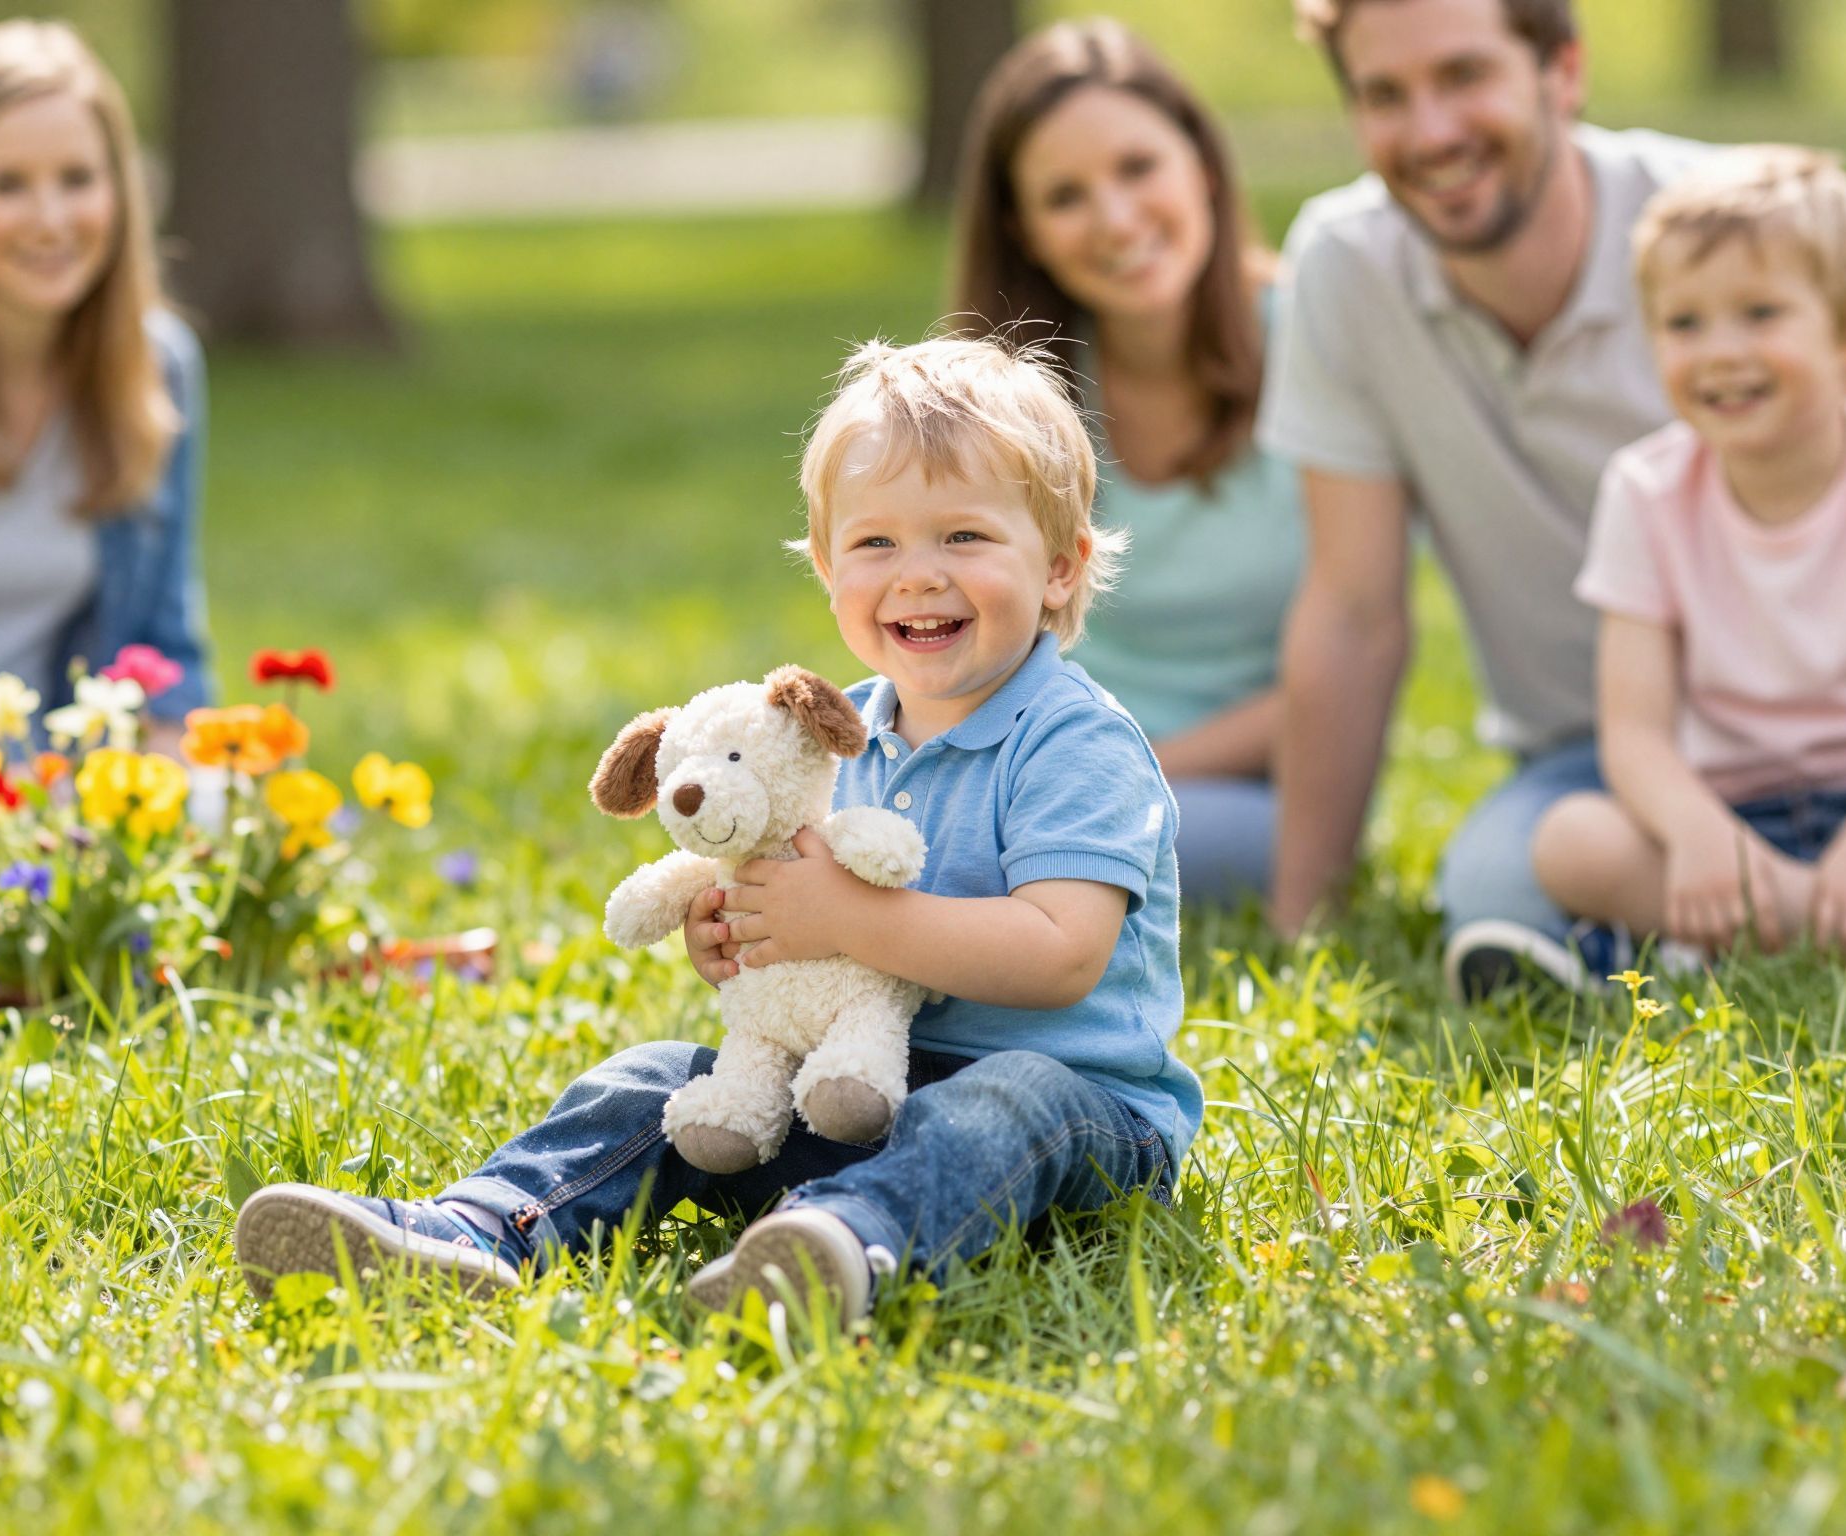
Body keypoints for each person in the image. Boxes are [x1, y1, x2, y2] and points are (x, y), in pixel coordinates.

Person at [234, 336, 1201, 1324]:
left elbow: (1058, 955)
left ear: (1059, 566)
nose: (915, 576)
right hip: (851, 1089)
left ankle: (841, 1243)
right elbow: (801, 920)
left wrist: (844, 921)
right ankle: (477, 1227)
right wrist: (741, 935)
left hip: (1078, 1124)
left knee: (1003, 1099)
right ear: (826, 567)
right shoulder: (830, 736)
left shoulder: (1075, 742)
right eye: (875, 544)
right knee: (649, 1080)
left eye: (963, 538)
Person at [1256, 0, 1846, 996]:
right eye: (1384, 94)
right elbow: (1351, 611)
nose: (1429, 132)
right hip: (1603, 762)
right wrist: (1302, 922)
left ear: (1561, 71)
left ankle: (1731, 926)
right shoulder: (1342, 266)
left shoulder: (1736, 233)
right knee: (1491, 889)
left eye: (1464, 76)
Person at [1529, 148, 1846, 965]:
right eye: (1684, 323)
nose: (1719, 352)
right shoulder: (1645, 490)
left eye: (1761, 313)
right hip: (1738, 819)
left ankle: (1722, 940)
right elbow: (1633, 735)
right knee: (1572, 842)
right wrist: (1708, 841)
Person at [950, 19, 1305, 903]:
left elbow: (1355, 654)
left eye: (1139, 168)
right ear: (1022, 229)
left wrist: (1118, 773)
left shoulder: (1317, 341)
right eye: (1065, 196)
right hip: (1027, 773)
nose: (1115, 219)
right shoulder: (1003, 394)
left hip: (1249, 794)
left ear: (1203, 165)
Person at [0, 20, 209, 757]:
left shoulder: (160, 369)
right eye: (6, 185)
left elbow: (165, 655)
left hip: (54, 812)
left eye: (77, 179)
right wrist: (8, 799)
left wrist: (164, 789)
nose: (51, 220)